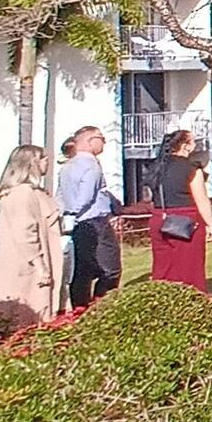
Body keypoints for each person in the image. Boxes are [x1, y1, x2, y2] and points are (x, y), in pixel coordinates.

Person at [0, 146, 64, 328]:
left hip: (31, 261)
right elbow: (25, 231)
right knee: (28, 315)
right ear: (31, 163)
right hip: (26, 265)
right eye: (42, 158)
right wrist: (39, 265)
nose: (47, 161)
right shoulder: (21, 194)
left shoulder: (31, 192)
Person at [57, 125, 120, 307]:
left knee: (82, 270)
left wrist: (66, 216)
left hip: (75, 223)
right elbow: (86, 196)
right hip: (95, 221)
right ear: (89, 141)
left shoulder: (66, 167)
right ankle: (102, 307)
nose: (104, 143)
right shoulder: (91, 164)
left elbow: (60, 195)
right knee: (110, 269)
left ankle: (80, 308)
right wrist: (74, 211)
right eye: (101, 138)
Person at [146, 128, 212, 293]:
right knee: (189, 268)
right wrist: (210, 224)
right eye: (193, 142)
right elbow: (201, 199)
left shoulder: (156, 166)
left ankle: (162, 302)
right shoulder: (191, 167)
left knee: (163, 267)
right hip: (185, 218)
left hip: (159, 217)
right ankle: (192, 303)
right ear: (186, 146)